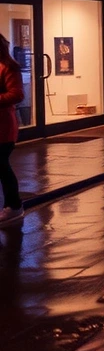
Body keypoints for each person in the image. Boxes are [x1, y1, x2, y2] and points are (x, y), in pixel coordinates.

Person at [0, 34, 26, 228]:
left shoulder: (8, 67)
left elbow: (16, 94)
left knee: (2, 165)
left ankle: (14, 205)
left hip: (3, 127)